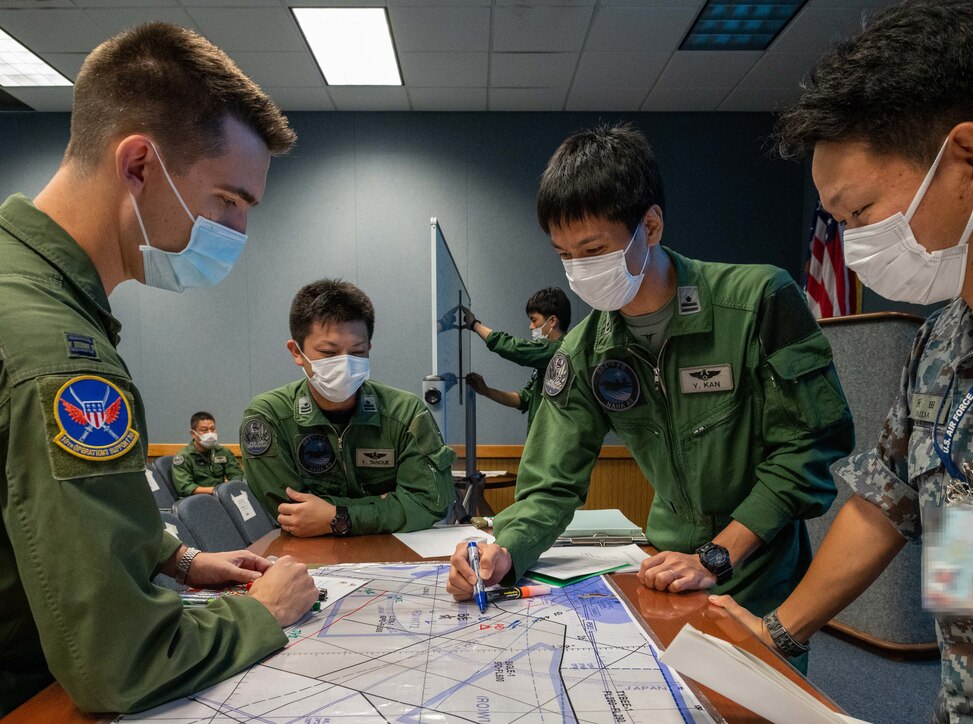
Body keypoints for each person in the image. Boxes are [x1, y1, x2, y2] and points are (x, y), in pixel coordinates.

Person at [707, 1, 973, 719]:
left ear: (969, 162)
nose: (852, 243)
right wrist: (778, 629)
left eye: (856, 214)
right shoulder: (942, 338)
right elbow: (887, 501)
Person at [446, 123, 855, 672]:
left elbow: (809, 447)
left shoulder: (757, 299)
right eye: (566, 255)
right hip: (666, 570)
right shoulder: (586, 349)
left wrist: (718, 555)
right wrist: (504, 552)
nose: (580, 271)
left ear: (652, 225)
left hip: (758, 571)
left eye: (594, 249)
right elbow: (550, 485)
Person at [0, 23, 318, 716]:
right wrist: (260, 614)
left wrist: (175, 557)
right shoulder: (58, 357)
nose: (237, 232)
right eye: (229, 200)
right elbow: (119, 659)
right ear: (139, 165)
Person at [241, 279, 456, 537]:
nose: (345, 364)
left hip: (394, 554)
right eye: (328, 353)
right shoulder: (269, 416)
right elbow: (294, 514)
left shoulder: (405, 412)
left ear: (369, 349)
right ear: (296, 352)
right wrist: (388, 504)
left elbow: (429, 503)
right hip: (310, 558)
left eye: (357, 352)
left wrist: (338, 516)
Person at [462, 287, 572, 432]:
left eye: (534, 320)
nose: (531, 327)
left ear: (552, 321)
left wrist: (475, 325)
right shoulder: (545, 361)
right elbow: (524, 399)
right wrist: (486, 391)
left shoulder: (559, 352)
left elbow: (514, 348)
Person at [171, 411, 244, 496]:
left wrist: (231, 487)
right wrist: (217, 490)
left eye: (212, 429)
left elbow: (236, 475)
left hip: (221, 497)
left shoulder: (223, 452)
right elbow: (185, 487)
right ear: (193, 434)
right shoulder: (184, 457)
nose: (210, 433)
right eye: (204, 430)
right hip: (197, 501)